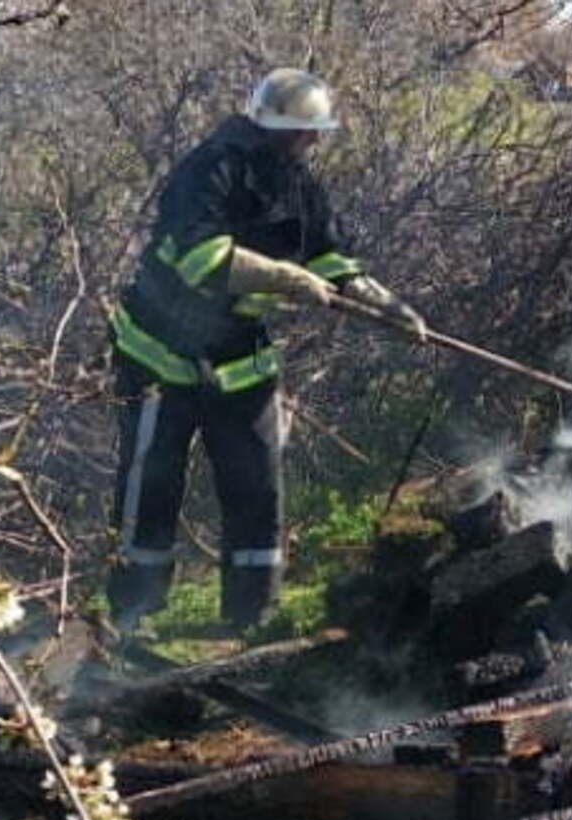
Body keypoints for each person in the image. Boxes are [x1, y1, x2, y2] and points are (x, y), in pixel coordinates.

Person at [106, 67, 425, 634]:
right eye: (308, 132)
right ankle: (134, 614)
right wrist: (283, 278)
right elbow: (200, 257)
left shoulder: (297, 181)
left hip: (240, 361)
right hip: (161, 353)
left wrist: (380, 301)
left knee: (256, 487)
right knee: (151, 487)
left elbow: (326, 255)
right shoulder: (210, 169)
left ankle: (251, 617)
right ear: (279, 129)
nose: (315, 143)